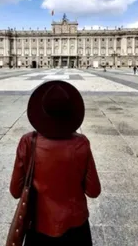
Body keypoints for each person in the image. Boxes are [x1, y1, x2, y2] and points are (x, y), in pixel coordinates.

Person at [9, 81, 101, 244]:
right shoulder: (81, 143)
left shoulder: (28, 141)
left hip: (38, 226)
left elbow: (15, 191)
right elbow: (93, 191)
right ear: (71, 112)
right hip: (76, 227)